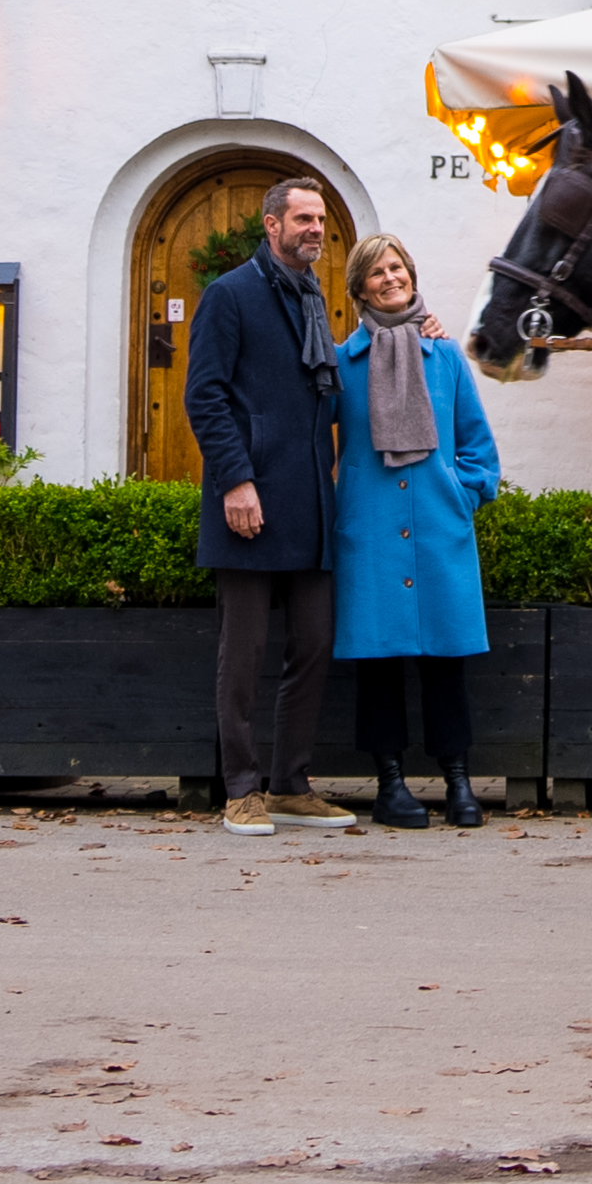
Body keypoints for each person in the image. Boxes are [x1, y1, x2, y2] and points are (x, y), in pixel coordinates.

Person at [188, 174, 353, 836]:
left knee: (314, 645)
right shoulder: (230, 296)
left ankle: (289, 784)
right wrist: (234, 479)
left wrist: (420, 328)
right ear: (272, 225)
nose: (315, 229)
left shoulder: (312, 297)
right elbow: (205, 394)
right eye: (303, 219)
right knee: (245, 652)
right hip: (249, 503)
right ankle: (240, 790)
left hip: (311, 502)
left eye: (321, 221)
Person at [329, 232, 505, 829]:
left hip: (437, 522)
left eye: (397, 267)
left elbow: (477, 439)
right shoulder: (341, 363)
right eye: (377, 272)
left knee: (445, 658)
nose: (390, 278)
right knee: (379, 663)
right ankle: (391, 785)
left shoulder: (445, 354)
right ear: (359, 288)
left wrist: (464, 490)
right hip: (371, 527)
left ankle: (459, 782)